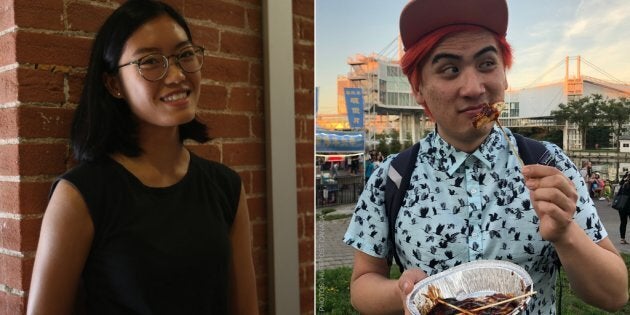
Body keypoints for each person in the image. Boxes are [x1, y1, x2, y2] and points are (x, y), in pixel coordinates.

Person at [343, 0, 628, 314]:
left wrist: (566, 233)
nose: (474, 88)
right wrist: (402, 292)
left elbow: (614, 295)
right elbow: (363, 283)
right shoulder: (392, 178)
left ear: (504, 77)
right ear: (419, 89)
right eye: (450, 69)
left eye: (487, 64)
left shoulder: (550, 164)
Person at [27, 1, 258, 314]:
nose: (176, 74)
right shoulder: (82, 194)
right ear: (113, 84)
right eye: (150, 61)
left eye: (185, 55)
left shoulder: (225, 186)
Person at [618, 172, 630, 244]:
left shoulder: (623, 185)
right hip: (629, 206)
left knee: (623, 222)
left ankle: (622, 239)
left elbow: (618, 194)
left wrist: (625, 176)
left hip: (622, 206)